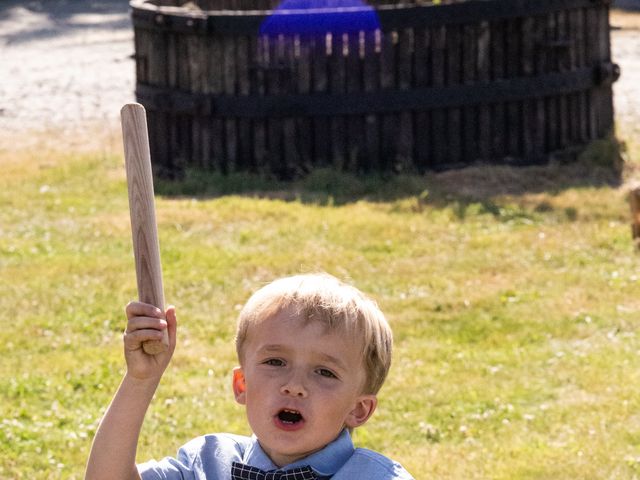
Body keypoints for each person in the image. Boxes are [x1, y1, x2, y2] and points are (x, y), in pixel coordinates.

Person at [85, 273, 414, 479]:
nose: (294, 386)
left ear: (358, 409)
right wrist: (141, 380)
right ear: (242, 384)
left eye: (324, 372)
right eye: (275, 362)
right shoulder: (207, 463)